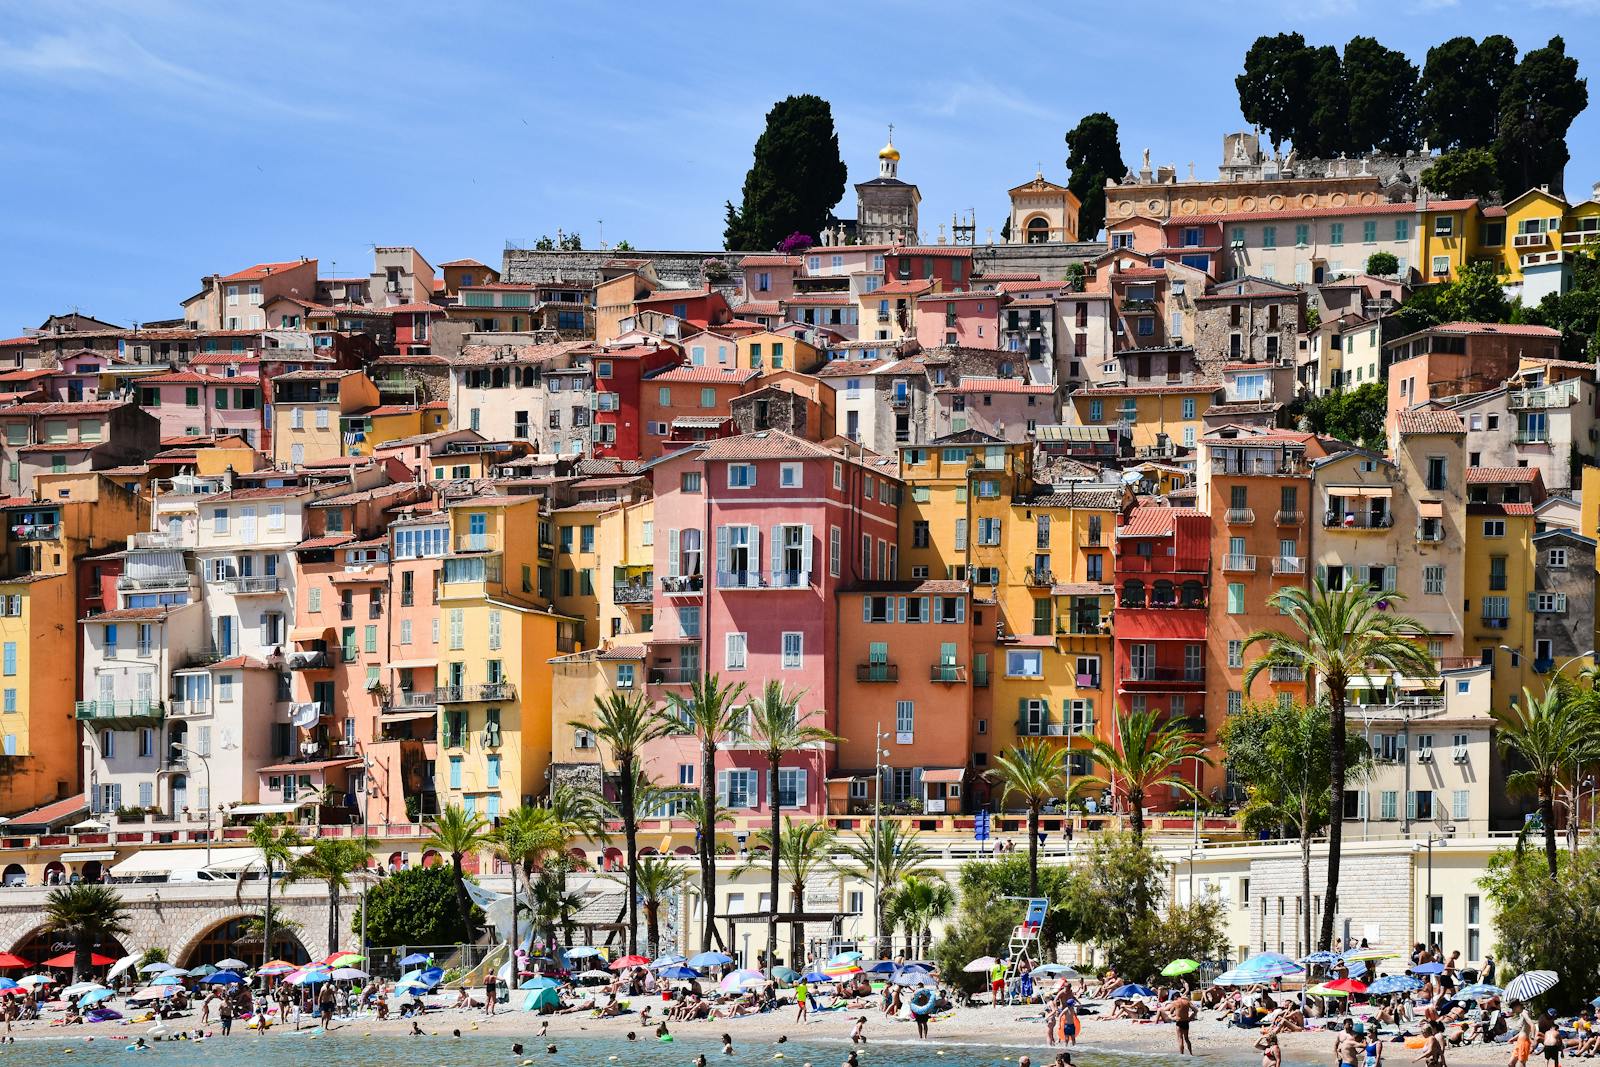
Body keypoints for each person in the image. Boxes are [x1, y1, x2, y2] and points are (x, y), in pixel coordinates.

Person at [1512, 1000, 1539, 1067]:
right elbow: (1524, 1029)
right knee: (1511, 1064)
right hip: (1520, 1040)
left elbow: (1532, 1025)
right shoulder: (1523, 1013)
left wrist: (1533, 1037)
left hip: (1524, 1041)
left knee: (1521, 1063)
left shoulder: (1524, 1013)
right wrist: (1514, 1038)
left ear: (1518, 1006)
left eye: (1513, 1007)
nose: (1513, 1009)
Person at [1172, 989, 1194, 1055]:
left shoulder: (1175, 1002)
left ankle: (1182, 1055)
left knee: (1180, 1039)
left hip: (1179, 1022)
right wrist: (1190, 1018)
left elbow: (1171, 1011)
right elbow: (1196, 1010)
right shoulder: (1187, 1002)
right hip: (1186, 1021)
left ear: (1175, 997)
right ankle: (1191, 1053)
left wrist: (1175, 1013)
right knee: (1187, 1039)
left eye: (1174, 998)